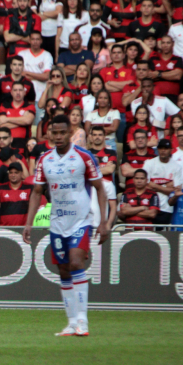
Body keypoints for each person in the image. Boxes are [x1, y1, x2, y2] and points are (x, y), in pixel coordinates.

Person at [23, 114, 109, 337]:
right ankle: (71, 323)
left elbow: (100, 188)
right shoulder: (44, 160)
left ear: (71, 132)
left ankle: (83, 321)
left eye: (63, 132)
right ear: (50, 133)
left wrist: (103, 222)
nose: (58, 136)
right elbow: (37, 192)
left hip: (81, 220)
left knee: (75, 262)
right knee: (62, 269)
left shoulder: (84, 157)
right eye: (55, 132)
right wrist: (28, 223)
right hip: (58, 223)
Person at [143, 139, 183, 225]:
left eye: (166, 148)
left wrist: (155, 186)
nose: (163, 150)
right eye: (161, 148)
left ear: (171, 150)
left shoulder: (177, 167)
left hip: (166, 208)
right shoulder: (149, 163)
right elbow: (144, 185)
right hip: (149, 207)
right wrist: (167, 186)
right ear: (157, 149)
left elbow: (175, 191)